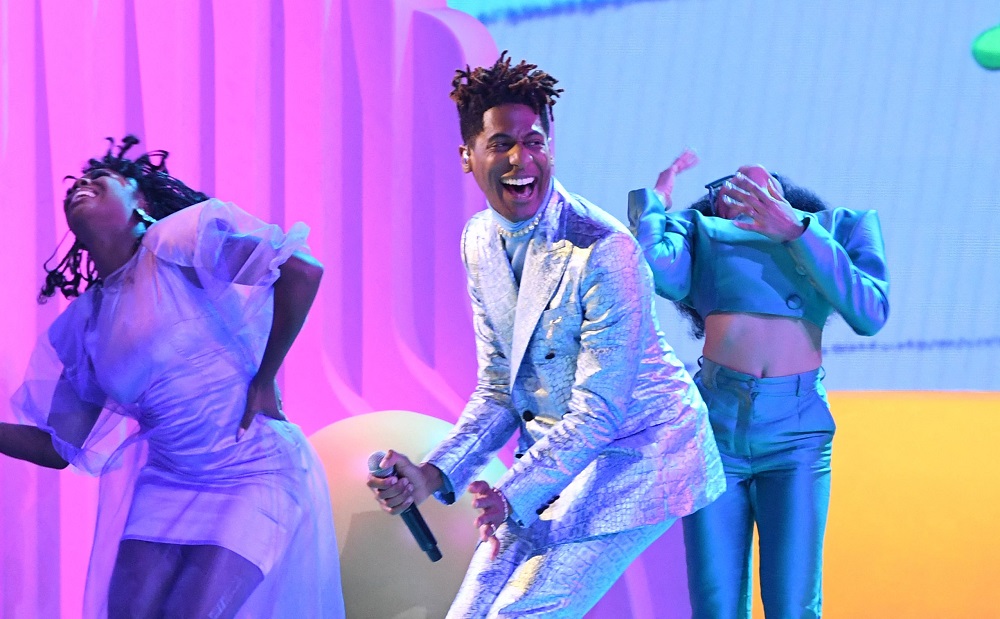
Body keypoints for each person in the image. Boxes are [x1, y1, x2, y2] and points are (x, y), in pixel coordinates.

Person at [367, 54, 724, 618]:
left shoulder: (605, 249)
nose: (521, 159)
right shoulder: (478, 241)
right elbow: (499, 388)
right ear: (467, 156)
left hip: (639, 453)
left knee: (521, 612)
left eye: (534, 142)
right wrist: (430, 474)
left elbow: (600, 411)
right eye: (501, 143)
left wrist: (513, 493)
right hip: (555, 458)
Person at [0, 136, 345, 618]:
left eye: (100, 178)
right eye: (75, 183)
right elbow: (60, 448)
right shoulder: (87, 324)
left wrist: (265, 377)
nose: (82, 183)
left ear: (140, 201)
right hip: (167, 480)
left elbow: (301, 271)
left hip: (251, 468)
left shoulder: (177, 242)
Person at [628, 154, 890, 618]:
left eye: (761, 187)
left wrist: (797, 231)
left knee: (794, 603)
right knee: (715, 604)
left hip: (796, 437)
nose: (745, 192)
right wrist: (655, 202)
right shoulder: (700, 239)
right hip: (714, 433)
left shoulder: (834, 230)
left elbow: (870, 312)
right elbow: (653, 270)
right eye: (730, 190)